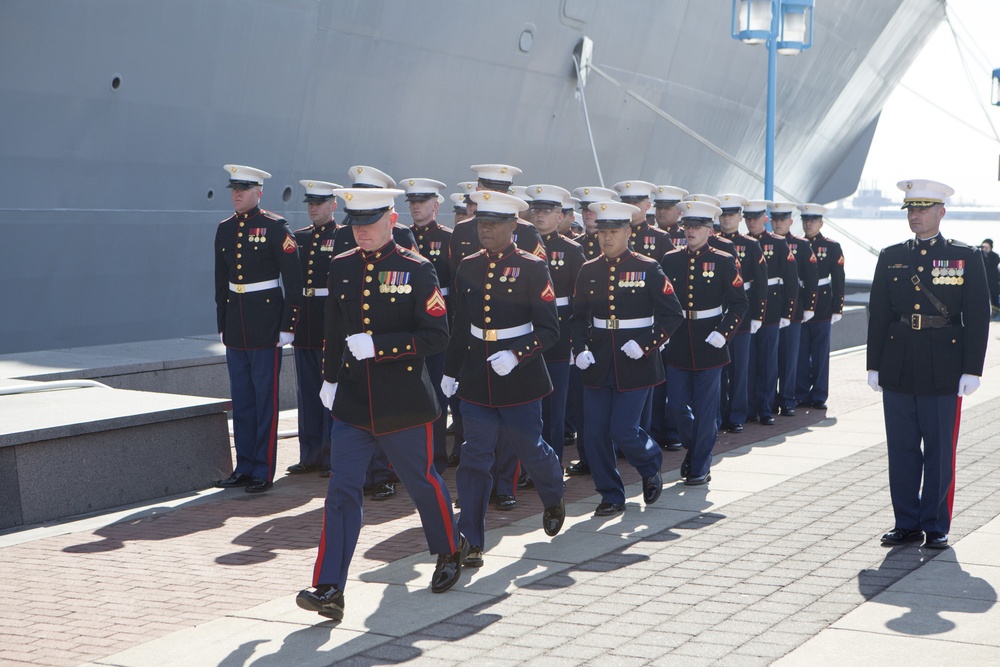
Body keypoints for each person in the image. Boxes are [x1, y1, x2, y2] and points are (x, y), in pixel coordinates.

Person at [296, 188, 465, 620]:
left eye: (369, 225)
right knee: (341, 491)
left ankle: (449, 550)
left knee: (422, 482)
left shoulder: (417, 269)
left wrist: (382, 346)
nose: (361, 233)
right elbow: (334, 330)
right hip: (353, 403)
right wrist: (329, 378)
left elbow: (436, 336)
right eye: (355, 224)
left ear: (391, 220)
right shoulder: (342, 266)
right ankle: (330, 586)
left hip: (404, 402)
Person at [442, 190, 566, 567]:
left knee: (530, 448)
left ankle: (553, 493)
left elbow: (549, 330)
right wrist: (450, 371)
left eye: (494, 224)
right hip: (478, 375)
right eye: (482, 223)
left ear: (513, 226)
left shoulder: (532, 267)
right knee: (474, 457)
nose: (486, 231)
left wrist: (516, 355)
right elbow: (461, 324)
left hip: (520, 375)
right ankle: (471, 540)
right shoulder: (468, 266)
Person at [867, 179, 989, 550]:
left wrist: (973, 369)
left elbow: (978, 315)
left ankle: (935, 524)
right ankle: (906, 521)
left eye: (922, 209)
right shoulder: (891, 256)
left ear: (941, 212)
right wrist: (874, 365)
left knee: (939, 449)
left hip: (944, 364)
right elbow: (880, 314)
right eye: (910, 210)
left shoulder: (964, 256)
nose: (915, 216)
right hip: (899, 362)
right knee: (902, 447)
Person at [570, 200, 683, 515]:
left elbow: (672, 315)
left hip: (635, 361)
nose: (606, 238)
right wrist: (579, 349)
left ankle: (649, 465)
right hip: (598, 360)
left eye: (613, 232)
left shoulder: (648, 267)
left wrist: (647, 344)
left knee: (623, 430)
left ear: (628, 232)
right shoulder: (588, 269)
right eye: (602, 232)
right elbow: (578, 318)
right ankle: (611, 494)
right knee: (593, 433)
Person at [214, 165, 302, 494]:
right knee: (242, 399)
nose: (237, 194)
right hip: (236, 323)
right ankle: (244, 465)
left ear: (259, 192)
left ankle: (263, 470)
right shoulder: (224, 229)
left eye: (244, 188)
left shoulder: (275, 227)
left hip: (266, 323)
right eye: (234, 188)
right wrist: (222, 323)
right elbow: (220, 281)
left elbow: (293, 281)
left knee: (266, 400)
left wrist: (288, 326)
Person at [660, 201, 748, 484]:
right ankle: (695, 448)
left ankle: (699, 466)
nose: (690, 231)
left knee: (707, 409)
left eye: (697, 226)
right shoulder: (671, 259)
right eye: (687, 226)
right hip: (679, 341)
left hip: (710, 342)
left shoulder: (724, 260)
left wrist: (723, 333)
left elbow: (739, 304)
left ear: (710, 230)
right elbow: (662, 302)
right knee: (676, 406)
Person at [526, 185, 585, 465]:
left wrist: (576, 339)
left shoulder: (571, 250)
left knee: (554, 406)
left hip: (559, 335)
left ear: (560, 216)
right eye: (536, 210)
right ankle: (527, 465)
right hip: (525, 332)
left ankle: (551, 464)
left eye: (547, 211)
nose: (539, 216)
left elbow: (581, 299)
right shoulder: (520, 246)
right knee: (526, 405)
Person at [287, 179, 342, 478]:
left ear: (333, 205)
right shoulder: (299, 237)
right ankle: (309, 454)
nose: (313, 208)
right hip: (305, 322)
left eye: (319, 203)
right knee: (307, 392)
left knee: (330, 390)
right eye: (310, 203)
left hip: (329, 321)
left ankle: (331, 454)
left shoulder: (343, 237)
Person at [401, 177, 453, 473]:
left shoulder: (448, 239)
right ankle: (409, 456)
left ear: (435, 205)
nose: (416, 207)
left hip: (436, 324)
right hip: (407, 324)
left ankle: (435, 457)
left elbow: (456, 288)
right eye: (412, 202)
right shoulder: (398, 236)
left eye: (422, 202)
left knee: (436, 392)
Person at [716, 194, 767, 433]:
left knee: (739, 369)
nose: (727, 219)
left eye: (731, 215)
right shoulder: (712, 243)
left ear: (739, 217)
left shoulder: (750, 244)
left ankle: (737, 415)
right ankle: (717, 415)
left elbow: (760, 282)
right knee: (717, 369)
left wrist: (758, 315)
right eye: (723, 215)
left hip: (742, 313)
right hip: (717, 312)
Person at [744, 200, 797, 426]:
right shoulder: (740, 243)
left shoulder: (777, 243)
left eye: (756, 217)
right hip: (745, 310)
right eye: (748, 218)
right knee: (747, 363)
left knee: (767, 363)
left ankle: (765, 409)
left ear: (765, 219)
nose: (752, 221)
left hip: (771, 311)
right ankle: (748, 408)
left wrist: (788, 312)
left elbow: (791, 280)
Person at [769, 202, 817, 417]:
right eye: (775, 219)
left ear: (790, 221)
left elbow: (810, 278)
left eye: (783, 219)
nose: (779, 223)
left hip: (793, 309)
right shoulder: (763, 243)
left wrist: (808, 307)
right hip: (769, 309)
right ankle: (769, 400)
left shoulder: (801, 245)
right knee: (769, 359)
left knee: (790, 358)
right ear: (771, 221)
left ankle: (788, 399)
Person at [795, 204, 845, 410]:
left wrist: (837, 308)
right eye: (806, 220)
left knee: (820, 355)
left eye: (813, 220)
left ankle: (819, 395)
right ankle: (800, 394)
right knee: (799, 353)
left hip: (823, 306)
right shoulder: (795, 245)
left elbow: (839, 279)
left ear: (821, 223)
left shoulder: (832, 247)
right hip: (799, 303)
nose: (809, 224)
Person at [614, 180, 675, 262]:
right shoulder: (613, 235)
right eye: (627, 203)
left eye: (636, 203)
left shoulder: (660, 238)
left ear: (648, 205)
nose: (631, 207)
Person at [980, 238, 1000, 317]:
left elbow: (995, 262)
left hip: (993, 280)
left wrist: (988, 253)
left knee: (993, 295)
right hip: (983, 279)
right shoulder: (980, 254)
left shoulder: (994, 255)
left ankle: (995, 312)